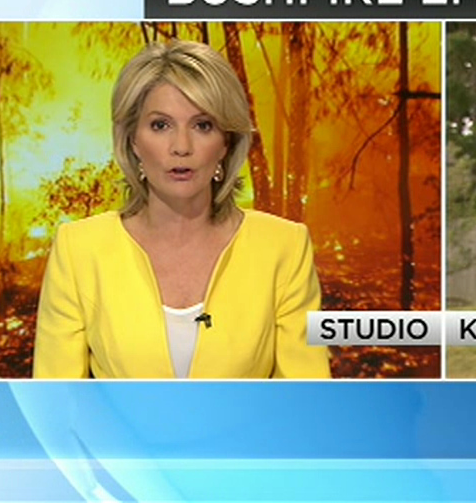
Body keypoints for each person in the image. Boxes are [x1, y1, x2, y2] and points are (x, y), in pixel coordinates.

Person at [33, 40, 331, 379]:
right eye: (161, 125)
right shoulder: (79, 250)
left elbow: (306, 399)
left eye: (203, 125)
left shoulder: (284, 247)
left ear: (226, 142)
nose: (181, 147)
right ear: (133, 139)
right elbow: (56, 402)